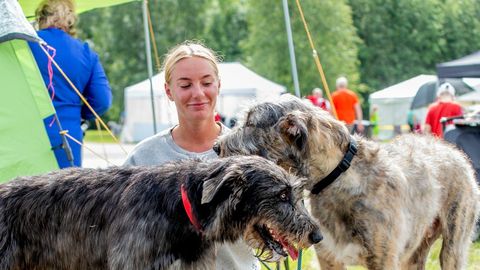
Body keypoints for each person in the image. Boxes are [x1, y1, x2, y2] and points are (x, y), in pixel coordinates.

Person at [123, 41, 260, 270]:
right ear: (169, 91)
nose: (198, 93)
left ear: (218, 85)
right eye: (185, 85)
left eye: (206, 83)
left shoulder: (249, 153)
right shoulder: (144, 158)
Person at [28, 0, 112, 168]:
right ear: (71, 19)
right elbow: (102, 101)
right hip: (68, 136)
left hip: (27, 134)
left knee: (19, 191)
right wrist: (78, 113)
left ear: (41, 17)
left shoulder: (23, 45)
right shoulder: (86, 52)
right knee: (63, 192)